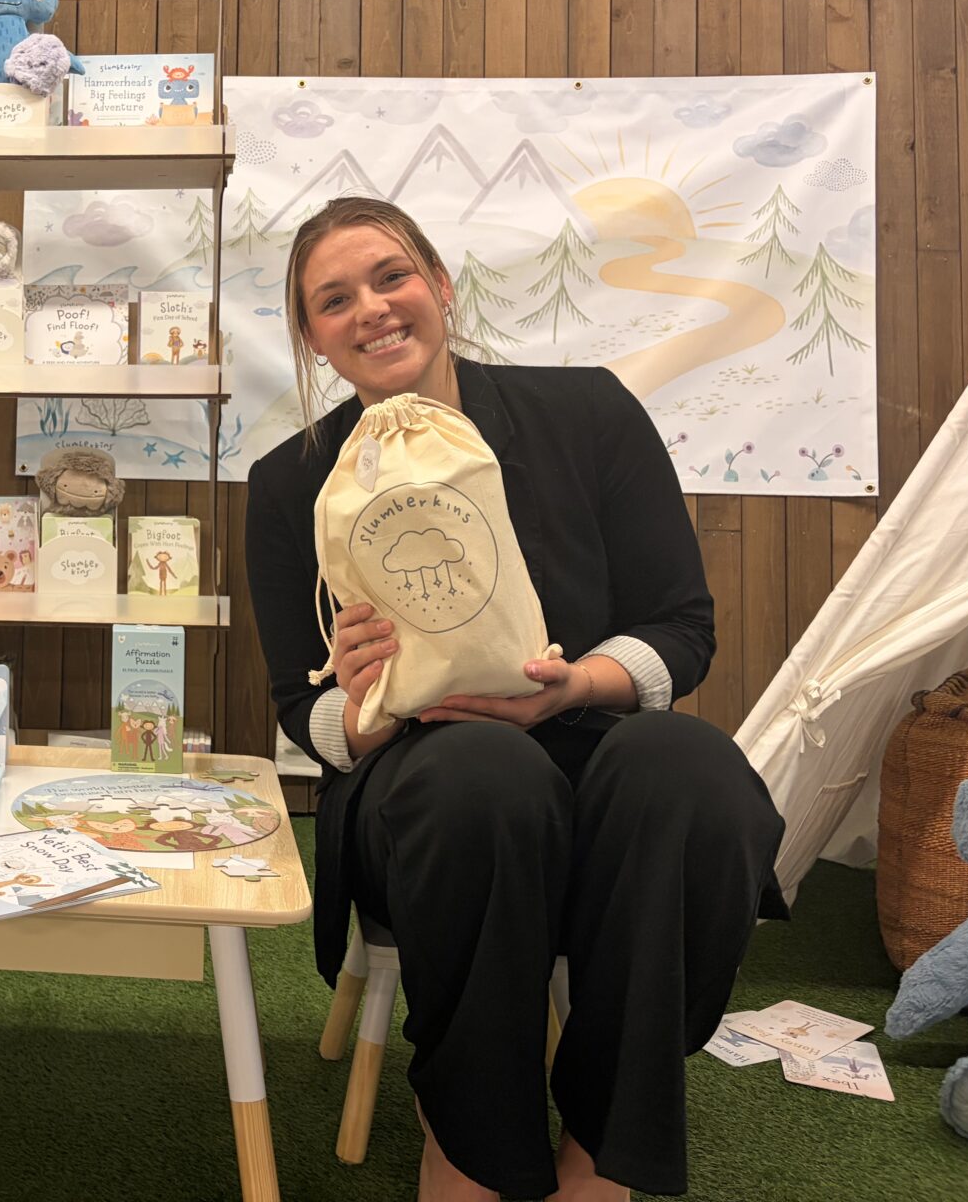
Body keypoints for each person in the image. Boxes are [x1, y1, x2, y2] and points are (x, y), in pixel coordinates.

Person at [244, 196, 785, 1202]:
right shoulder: (293, 483)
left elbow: (681, 627)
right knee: (483, 777)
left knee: (691, 769)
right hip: (421, 777)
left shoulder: (587, 415)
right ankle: (471, 1139)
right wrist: (363, 699)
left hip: (592, 741)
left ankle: (601, 1142)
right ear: (314, 339)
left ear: (441, 286)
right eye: (334, 300)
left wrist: (575, 685)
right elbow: (301, 712)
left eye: (392, 277)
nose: (372, 308)